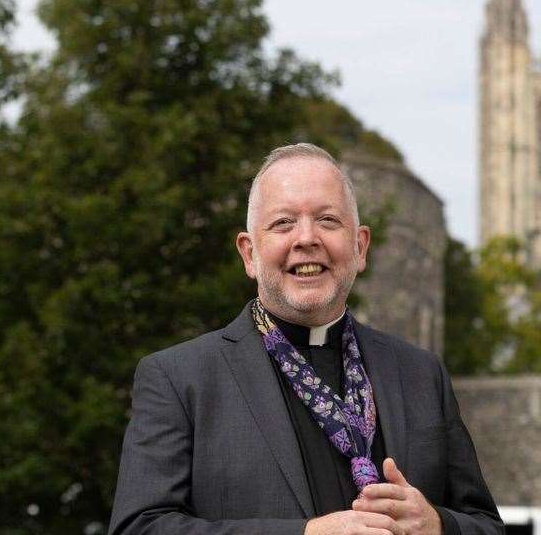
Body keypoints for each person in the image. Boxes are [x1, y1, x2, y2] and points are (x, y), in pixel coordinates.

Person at [108, 144, 503, 535]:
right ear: (249, 254)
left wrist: (437, 525)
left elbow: (487, 525)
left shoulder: (420, 373)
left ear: (360, 247)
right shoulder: (180, 379)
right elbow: (140, 528)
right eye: (283, 223)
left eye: (328, 220)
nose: (306, 238)